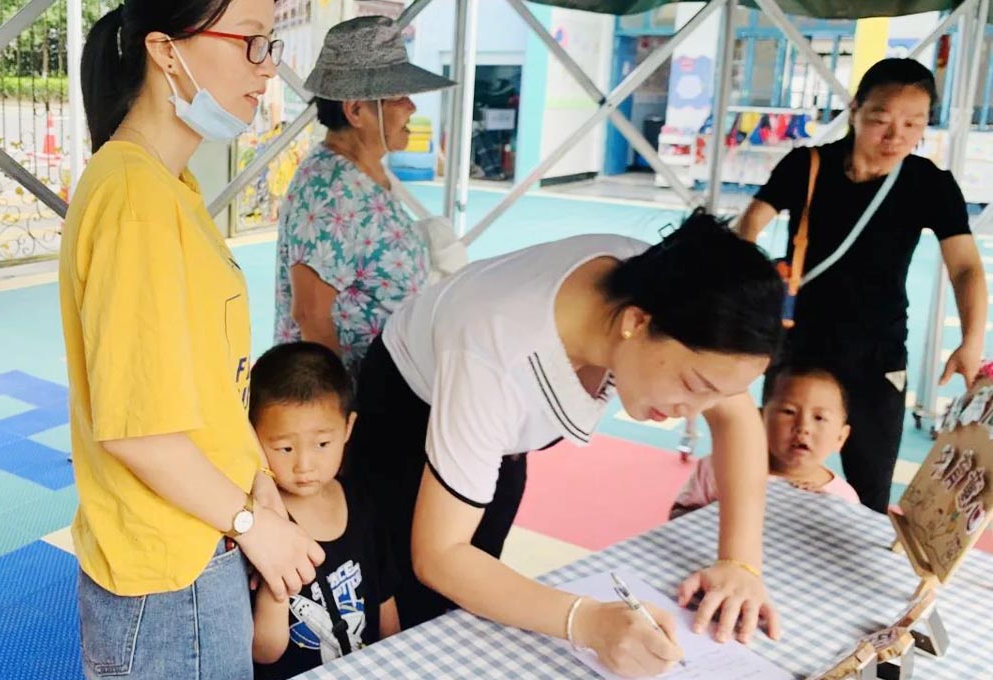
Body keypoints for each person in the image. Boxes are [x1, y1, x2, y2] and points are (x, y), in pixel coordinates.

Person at [347, 210, 785, 678]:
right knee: (404, 605)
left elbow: (737, 418)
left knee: (479, 591)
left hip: (495, 417)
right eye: (694, 385)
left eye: (715, 393)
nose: (696, 410)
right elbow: (440, 556)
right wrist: (588, 621)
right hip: (407, 413)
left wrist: (741, 564)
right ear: (636, 323)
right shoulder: (497, 355)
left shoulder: (671, 286)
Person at [60, 2, 324, 678]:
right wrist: (253, 526)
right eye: (250, 43)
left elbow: (204, 386)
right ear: (165, 51)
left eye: (270, 44)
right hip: (173, 571)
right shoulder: (135, 198)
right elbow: (138, 431)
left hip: (197, 541)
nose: (268, 68)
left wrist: (256, 483)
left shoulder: (168, 185)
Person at [739, 58, 988, 514]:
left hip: (877, 356)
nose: (896, 136)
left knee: (870, 487)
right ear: (855, 111)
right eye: (881, 119)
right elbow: (748, 227)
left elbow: (966, 268)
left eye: (913, 123)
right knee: (775, 470)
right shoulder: (807, 166)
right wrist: (750, 286)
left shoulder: (928, 184)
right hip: (799, 348)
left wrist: (971, 342)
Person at [273, 15, 456, 375]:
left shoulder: (364, 173)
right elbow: (311, 315)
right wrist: (338, 403)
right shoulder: (330, 191)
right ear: (356, 110)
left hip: (389, 386)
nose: (412, 107)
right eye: (399, 97)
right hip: (355, 398)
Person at [250, 342, 400, 679]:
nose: (304, 465)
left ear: (348, 428)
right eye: (284, 447)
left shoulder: (360, 501)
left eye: (322, 444)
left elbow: (385, 601)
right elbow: (264, 652)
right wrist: (277, 585)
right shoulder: (259, 525)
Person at [671, 365, 859, 519]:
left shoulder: (842, 497)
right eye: (789, 412)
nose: (803, 427)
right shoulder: (719, 466)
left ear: (840, 438)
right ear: (760, 420)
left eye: (819, 418)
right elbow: (679, 514)